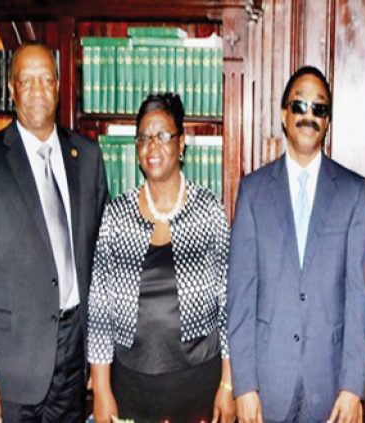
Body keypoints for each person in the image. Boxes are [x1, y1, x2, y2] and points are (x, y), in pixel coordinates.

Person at [0, 42, 108, 422]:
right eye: (27, 81)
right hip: (11, 366)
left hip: (73, 357)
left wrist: (99, 357)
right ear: (11, 89)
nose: (37, 90)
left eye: (46, 80)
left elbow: (99, 260)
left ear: (59, 86)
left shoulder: (87, 158)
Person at [227, 66, 365, 423]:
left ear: (328, 121)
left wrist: (353, 386)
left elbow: (358, 296)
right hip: (267, 383)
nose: (309, 116)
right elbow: (240, 297)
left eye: (319, 108)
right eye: (300, 105)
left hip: (330, 385)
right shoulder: (253, 191)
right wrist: (243, 385)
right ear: (283, 115)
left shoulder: (353, 192)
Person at [87, 93, 235, 423]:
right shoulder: (116, 216)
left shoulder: (208, 211)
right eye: (143, 137)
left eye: (163, 135)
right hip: (131, 388)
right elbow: (99, 311)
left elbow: (230, 304)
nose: (152, 145)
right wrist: (101, 389)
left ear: (181, 144)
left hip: (199, 384)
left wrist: (228, 383)